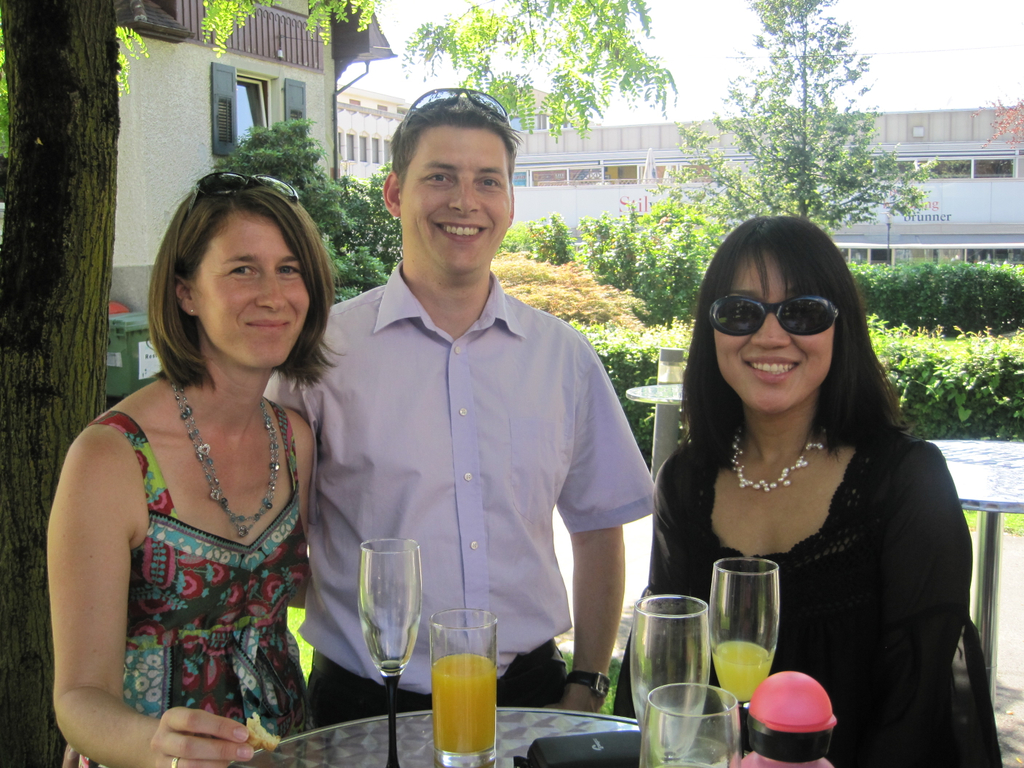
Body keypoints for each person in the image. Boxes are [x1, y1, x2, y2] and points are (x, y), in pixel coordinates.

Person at [266, 88, 654, 724]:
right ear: (395, 193)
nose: (465, 202)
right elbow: (275, 543)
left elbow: (598, 527)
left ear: (509, 203)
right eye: (440, 176)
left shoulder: (563, 358)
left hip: (531, 701)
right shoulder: (320, 357)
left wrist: (587, 682)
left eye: (487, 181)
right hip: (365, 707)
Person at [613, 216, 1001, 767]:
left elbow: (920, 706)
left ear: (841, 327)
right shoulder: (684, 481)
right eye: (741, 311)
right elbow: (663, 676)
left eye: (803, 311)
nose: (771, 336)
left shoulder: (907, 481)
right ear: (711, 331)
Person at [49, 172, 335, 768]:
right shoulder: (110, 458)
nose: (273, 295)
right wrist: (160, 749)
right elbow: (78, 698)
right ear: (186, 293)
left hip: (285, 750)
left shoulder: (294, 439)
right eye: (242, 270)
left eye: (289, 269)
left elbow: (293, 588)